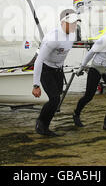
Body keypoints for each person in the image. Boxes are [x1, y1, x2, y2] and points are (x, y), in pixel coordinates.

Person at [32, 9, 77, 137]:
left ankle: (45, 125)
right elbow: (39, 60)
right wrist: (36, 85)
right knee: (54, 99)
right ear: (63, 22)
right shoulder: (53, 38)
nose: (74, 26)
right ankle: (41, 125)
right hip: (46, 69)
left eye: (76, 23)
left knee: (56, 100)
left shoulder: (73, 35)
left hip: (58, 70)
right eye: (72, 23)